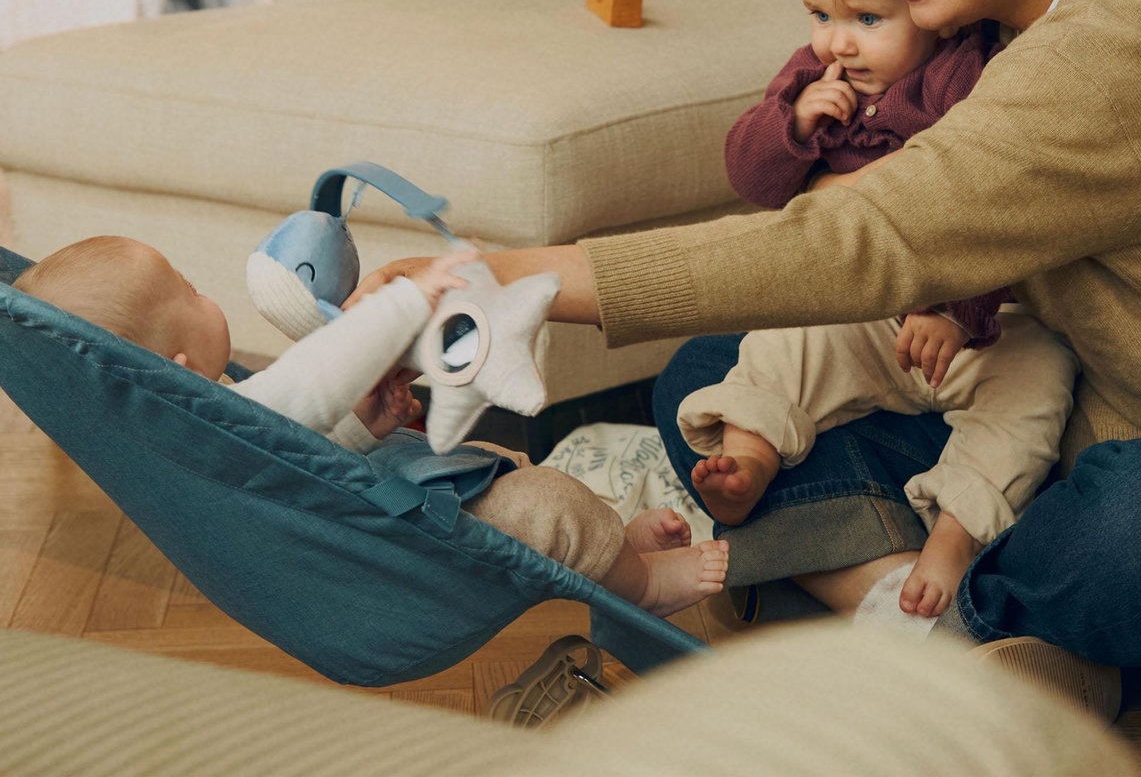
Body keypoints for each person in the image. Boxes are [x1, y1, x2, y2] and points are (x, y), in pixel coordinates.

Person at [352, 0, 1141, 714]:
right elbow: (866, 208)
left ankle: (931, 614)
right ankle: (953, 621)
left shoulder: (1110, 49)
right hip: (1040, 420)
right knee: (711, 380)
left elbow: (862, 239)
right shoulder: (1012, 9)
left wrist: (501, 279)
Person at [680, 0, 1076, 617]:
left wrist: (958, 309)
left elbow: (989, 205)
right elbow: (753, 179)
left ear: (928, 10)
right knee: (770, 339)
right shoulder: (815, 75)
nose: (837, 40)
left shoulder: (965, 76)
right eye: (820, 16)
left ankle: (951, 538)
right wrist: (791, 127)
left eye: (868, 19)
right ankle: (748, 461)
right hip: (863, 319)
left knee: (1040, 380)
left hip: (976, 330)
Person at [12, 235, 728, 618]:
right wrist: (405, 303)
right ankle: (642, 588)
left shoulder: (195, 430)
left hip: (361, 516)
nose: (206, 290)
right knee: (548, 505)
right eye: (189, 291)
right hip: (392, 554)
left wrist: (362, 427)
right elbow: (316, 376)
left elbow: (293, 462)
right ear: (178, 363)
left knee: (504, 461)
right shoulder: (219, 415)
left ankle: (615, 552)